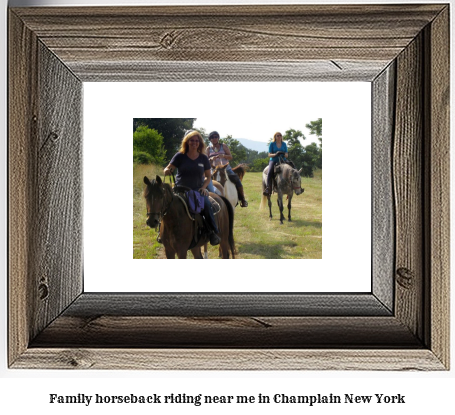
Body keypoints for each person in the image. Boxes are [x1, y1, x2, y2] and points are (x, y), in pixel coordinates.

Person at [163, 131, 221, 246]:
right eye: (192, 140)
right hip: (180, 190)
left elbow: (208, 176)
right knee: (164, 205)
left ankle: (212, 232)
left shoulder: (203, 158)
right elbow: (168, 168)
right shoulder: (180, 156)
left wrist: (204, 187)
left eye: (196, 140)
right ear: (187, 142)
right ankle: (162, 233)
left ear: (199, 143)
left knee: (207, 205)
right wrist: (167, 171)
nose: (194, 143)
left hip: (197, 190)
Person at [206, 131, 248, 207]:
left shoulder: (223, 146)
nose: (214, 139)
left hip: (225, 168)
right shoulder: (208, 149)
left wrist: (224, 156)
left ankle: (242, 199)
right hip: (213, 169)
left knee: (237, 180)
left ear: (218, 138)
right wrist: (211, 159)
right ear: (210, 139)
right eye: (212, 137)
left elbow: (230, 157)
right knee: (206, 181)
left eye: (216, 137)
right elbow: (205, 160)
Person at [263, 132, 288, 196]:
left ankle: (294, 186)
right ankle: (268, 188)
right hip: (273, 160)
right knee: (270, 172)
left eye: (280, 135)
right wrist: (275, 154)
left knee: (292, 168)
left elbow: (287, 155)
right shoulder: (272, 144)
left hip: (282, 160)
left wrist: (284, 154)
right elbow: (269, 154)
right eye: (278, 136)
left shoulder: (284, 144)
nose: (279, 137)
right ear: (275, 137)